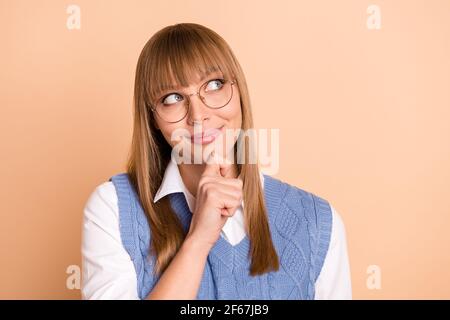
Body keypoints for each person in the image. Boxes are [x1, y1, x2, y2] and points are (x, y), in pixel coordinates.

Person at [81, 23, 352, 300]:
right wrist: (198, 240)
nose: (198, 116)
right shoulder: (112, 208)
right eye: (172, 98)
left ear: (239, 89)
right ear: (153, 119)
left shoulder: (318, 221)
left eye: (214, 85)